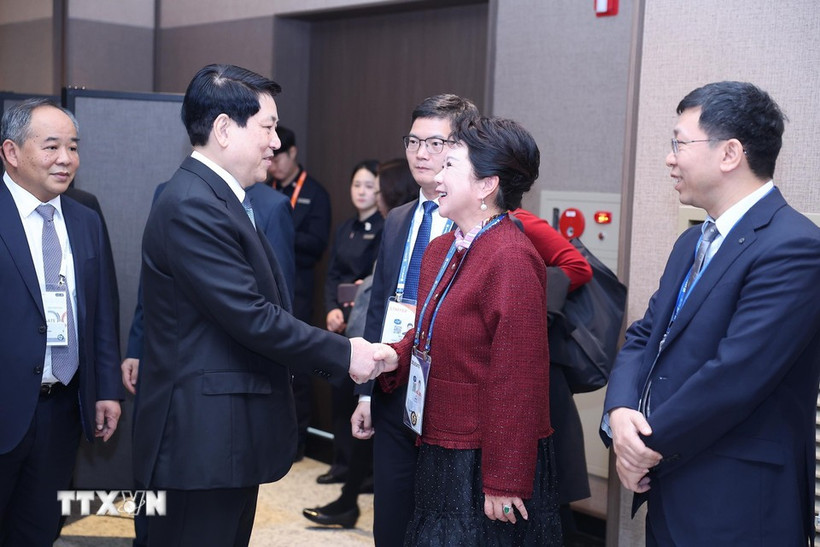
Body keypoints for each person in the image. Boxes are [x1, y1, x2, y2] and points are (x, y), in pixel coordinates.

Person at [130, 64, 389, 546]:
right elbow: (250, 315)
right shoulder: (193, 204)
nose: (276, 143)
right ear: (225, 129)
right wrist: (345, 354)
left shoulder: (222, 199)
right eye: (267, 127)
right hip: (199, 443)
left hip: (222, 440)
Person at [601, 81, 820, 545]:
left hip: (738, 502)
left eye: (680, 142)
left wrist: (642, 446)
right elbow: (645, 336)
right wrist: (620, 413)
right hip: (673, 487)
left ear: (730, 153)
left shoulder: (794, 246)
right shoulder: (692, 241)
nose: (670, 157)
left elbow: (736, 375)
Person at [374, 115, 563, 545]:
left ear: (485, 185)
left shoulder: (510, 258)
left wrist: (505, 479)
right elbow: (434, 329)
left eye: (450, 166)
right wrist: (396, 356)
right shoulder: (445, 247)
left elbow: (518, 378)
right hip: (441, 442)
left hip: (482, 458)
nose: (436, 176)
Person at [354, 94, 479, 546]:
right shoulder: (399, 219)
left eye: (434, 142)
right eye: (413, 141)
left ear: (464, 147)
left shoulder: (481, 224)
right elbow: (379, 308)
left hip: (451, 401)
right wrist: (366, 392)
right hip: (392, 390)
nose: (421, 153)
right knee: (390, 522)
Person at [0, 98, 123, 545]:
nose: (66, 159)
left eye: (73, 147)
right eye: (51, 147)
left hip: (62, 409)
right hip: (5, 404)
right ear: (12, 153)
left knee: (37, 530)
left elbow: (102, 311)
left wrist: (106, 388)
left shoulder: (85, 218)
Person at [303, 157, 419, 528]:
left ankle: (349, 497)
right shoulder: (361, 227)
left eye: (378, 188)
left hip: (400, 353)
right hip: (369, 339)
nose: (371, 194)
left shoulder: (400, 227)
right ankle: (349, 495)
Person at [511, 207, 594, 538]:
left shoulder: (520, 221)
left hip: (538, 366)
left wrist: (527, 301)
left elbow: (577, 268)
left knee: (549, 489)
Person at [265, 124, 331, 460]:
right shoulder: (264, 187)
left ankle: (299, 440)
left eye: (279, 156)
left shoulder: (314, 194)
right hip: (265, 287)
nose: (273, 162)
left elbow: (316, 245)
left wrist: (281, 231)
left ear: (293, 154)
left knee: (299, 366)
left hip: (300, 288)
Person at [320, 159, 384, 485]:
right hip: (339, 323)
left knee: (361, 395)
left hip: (364, 322)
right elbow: (331, 275)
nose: (361, 191)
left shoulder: (387, 227)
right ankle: (340, 464)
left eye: (369, 186)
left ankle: (364, 473)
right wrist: (331, 308)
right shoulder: (345, 228)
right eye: (356, 185)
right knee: (339, 396)